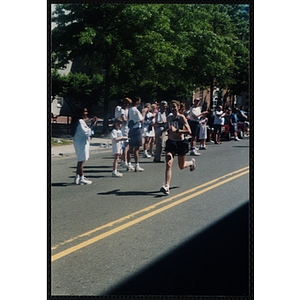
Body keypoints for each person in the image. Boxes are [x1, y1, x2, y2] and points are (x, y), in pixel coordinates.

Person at [160, 100, 196, 195]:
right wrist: (163, 130)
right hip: (171, 143)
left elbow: (189, 131)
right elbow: (168, 127)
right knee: (168, 163)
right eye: (171, 107)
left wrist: (177, 131)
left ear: (178, 107)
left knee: (181, 166)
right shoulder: (169, 117)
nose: (172, 108)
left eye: (174, 107)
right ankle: (167, 186)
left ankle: (191, 163)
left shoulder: (181, 118)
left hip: (181, 143)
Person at [70, 107, 93, 185]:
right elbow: (87, 132)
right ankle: (82, 178)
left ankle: (77, 177)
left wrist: (92, 124)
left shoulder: (76, 121)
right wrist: (91, 130)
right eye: (84, 112)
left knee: (80, 160)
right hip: (82, 143)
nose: (86, 113)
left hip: (78, 142)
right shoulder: (80, 122)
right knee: (81, 161)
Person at [127, 96, 147, 172]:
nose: (140, 103)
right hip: (136, 129)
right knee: (136, 149)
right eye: (139, 101)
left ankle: (129, 164)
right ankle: (137, 165)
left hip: (131, 129)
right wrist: (144, 112)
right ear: (136, 102)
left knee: (130, 148)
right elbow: (142, 120)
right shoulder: (135, 110)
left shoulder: (129, 109)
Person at [119, 97, 132, 168]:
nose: (130, 105)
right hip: (124, 129)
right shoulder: (123, 110)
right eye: (129, 104)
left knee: (126, 146)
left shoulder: (128, 110)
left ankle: (122, 160)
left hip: (127, 129)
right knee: (125, 146)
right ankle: (125, 161)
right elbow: (124, 119)